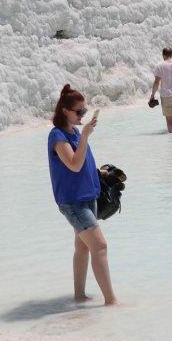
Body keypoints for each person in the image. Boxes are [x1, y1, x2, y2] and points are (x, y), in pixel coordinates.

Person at [48, 85, 116, 305]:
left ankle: (79, 296)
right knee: (100, 246)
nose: (82, 116)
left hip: (87, 197)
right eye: (78, 112)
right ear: (64, 111)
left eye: (84, 111)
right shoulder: (58, 136)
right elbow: (74, 164)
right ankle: (111, 301)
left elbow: (82, 163)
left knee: (83, 247)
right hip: (73, 202)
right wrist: (86, 135)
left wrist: (99, 173)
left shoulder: (74, 132)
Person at [149, 47, 172, 133]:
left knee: (169, 120)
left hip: (166, 96)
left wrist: (152, 95)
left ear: (163, 55)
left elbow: (156, 82)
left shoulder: (159, 65)